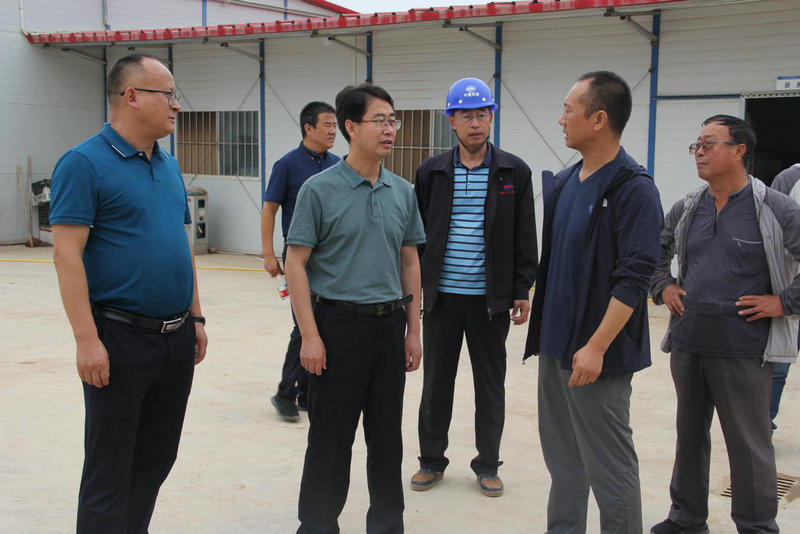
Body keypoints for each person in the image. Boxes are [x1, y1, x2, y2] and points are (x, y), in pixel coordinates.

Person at [49, 53, 208, 533]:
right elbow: (67, 254)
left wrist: (196, 317)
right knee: (110, 468)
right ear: (132, 96)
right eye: (169, 95)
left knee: (155, 460)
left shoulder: (168, 165)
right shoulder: (84, 164)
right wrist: (86, 340)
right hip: (119, 339)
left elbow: (181, 244)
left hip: (175, 338)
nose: (176, 105)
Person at [524, 71, 663, 533]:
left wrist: (598, 346)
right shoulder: (566, 182)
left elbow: (634, 278)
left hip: (596, 355)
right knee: (564, 464)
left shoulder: (633, 188)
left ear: (599, 119)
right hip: (555, 348)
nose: (561, 119)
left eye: (569, 109)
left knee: (610, 468)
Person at [284, 83, 426, 534]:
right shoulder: (318, 190)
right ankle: (317, 526)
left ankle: (387, 526)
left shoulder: (402, 191)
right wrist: (309, 336)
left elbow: (409, 261)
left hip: (388, 328)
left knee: (387, 442)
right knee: (330, 441)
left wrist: (413, 330)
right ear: (350, 127)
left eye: (392, 121)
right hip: (337, 329)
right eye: (379, 120)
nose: (389, 130)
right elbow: (295, 263)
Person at [650, 116, 800, 534]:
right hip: (689, 342)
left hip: (744, 349)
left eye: (709, 144)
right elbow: (653, 253)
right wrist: (663, 286)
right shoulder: (687, 207)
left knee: (749, 446)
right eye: (696, 145)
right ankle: (686, 519)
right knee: (689, 438)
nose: (699, 152)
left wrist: (783, 302)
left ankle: (757, 526)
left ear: (739, 151)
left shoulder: (775, 208)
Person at [410, 77, 537, 497]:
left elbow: (525, 232)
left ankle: (488, 464)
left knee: (490, 384)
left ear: (492, 117)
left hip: (490, 301)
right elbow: (417, 233)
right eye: (466, 115)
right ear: (451, 121)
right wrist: (417, 288)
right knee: (436, 383)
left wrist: (522, 288)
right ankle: (431, 460)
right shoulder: (431, 172)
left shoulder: (513, 171)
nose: (475, 123)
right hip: (442, 299)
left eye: (482, 114)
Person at [261, 101, 339, 421]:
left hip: (330, 258)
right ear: (308, 128)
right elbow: (269, 210)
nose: (333, 131)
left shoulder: (337, 165)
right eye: (327, 125)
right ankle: (285, 392)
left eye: (335, 125)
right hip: (299, 258)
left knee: (326, 323)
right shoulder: (287, 165)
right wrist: (268, 254)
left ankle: (308, 392)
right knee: (303, 325)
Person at [768, 162, 800, 431]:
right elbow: (771, 230)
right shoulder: (790, 178)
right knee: (777, 366)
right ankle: (764, 423)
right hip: (792, 289)